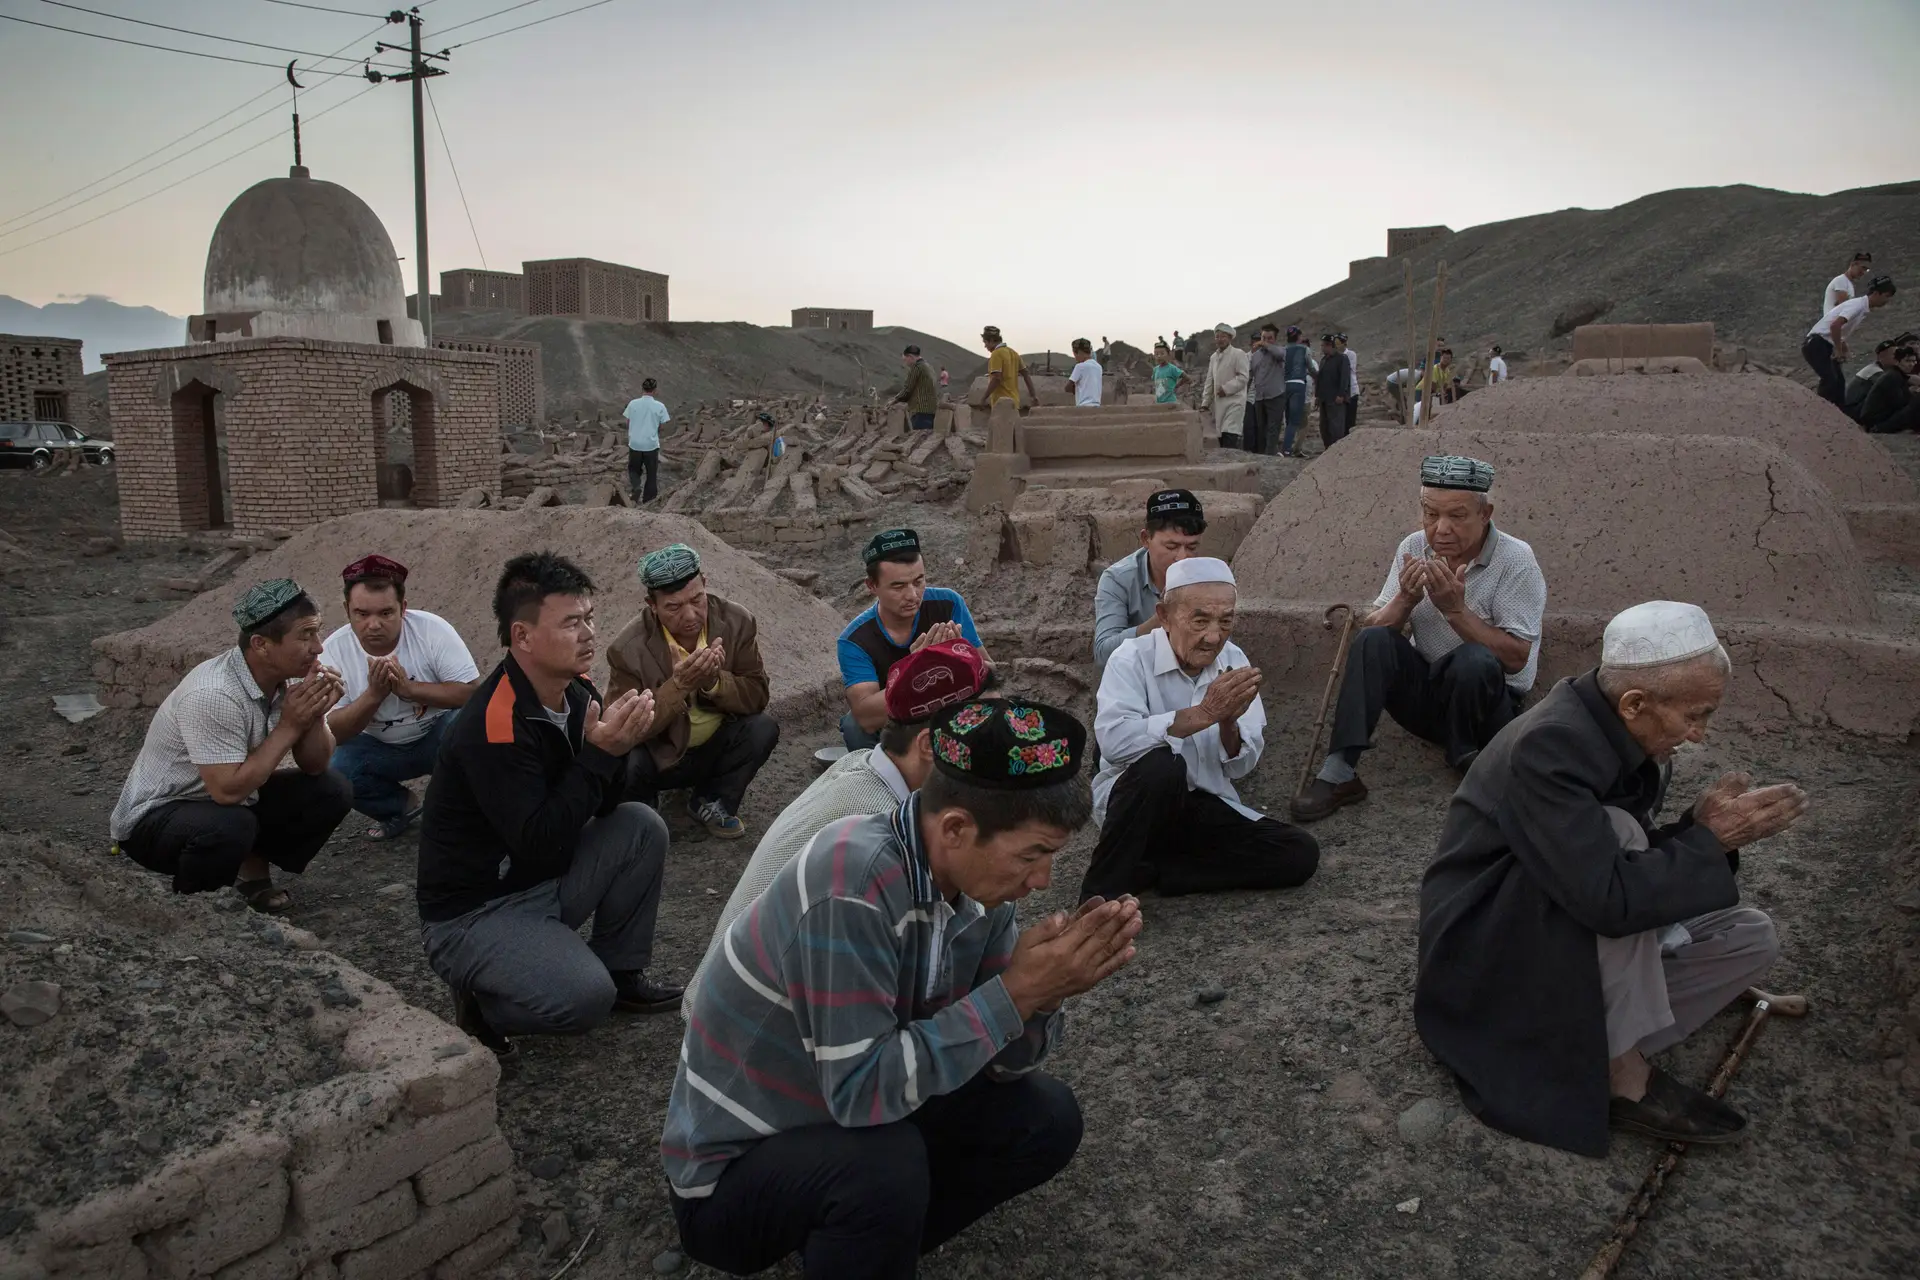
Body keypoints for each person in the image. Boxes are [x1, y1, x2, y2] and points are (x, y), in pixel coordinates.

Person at [662, 698, 1139, 1278]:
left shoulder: (977, 890)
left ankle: (862, 1241)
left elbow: (994, 1063)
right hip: (731, 1176)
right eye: (1032, 856)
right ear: (957, 828)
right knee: (887, 1168)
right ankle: (861, 1226)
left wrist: (1042, 994)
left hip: (842, 1118)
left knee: (1046, 1119)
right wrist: (1013, 994)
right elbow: (861, 1092)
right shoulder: (851, 884)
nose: (1039, 883)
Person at [1416, 601, 1806, 1154]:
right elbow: (1607, 897)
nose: (1699, 735)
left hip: (1569, 911)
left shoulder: (1628, 731)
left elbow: (1619, 870)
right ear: (1635, 703)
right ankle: (1624, 1077)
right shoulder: (1551, 745)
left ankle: (1581, 1037)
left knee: (1750, 936)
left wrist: (1697, 831)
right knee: (1619, 831)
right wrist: (1708, 841)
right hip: (1488, 945)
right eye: (1697, 715)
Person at [416, 552, 681, 1055]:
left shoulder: (575, 691)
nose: (588, 634)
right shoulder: (493, 725)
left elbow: (601, 808)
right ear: (522, 637)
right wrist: (601, 755)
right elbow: (537, 838)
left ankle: (622, 971)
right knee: (583, 999)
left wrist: (616, 753)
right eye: (571, 623)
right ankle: (482, 1002)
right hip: (477, 910)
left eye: (589, 618)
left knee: (639, 825)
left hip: (538, 877)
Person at [682, 640, 986, 1014]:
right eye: (980, 734)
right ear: (927, 745)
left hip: (731, 1010)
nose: (992, 750)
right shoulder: (877, 822)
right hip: (744, 1033)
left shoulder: (863, 766)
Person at [1292, 456, 1547, 822]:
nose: (1441, 529)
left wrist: (1456, 611)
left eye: (1457, 516)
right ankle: (1339, 771)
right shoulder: (1414, 547)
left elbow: (1516, 658)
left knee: (1474, 658)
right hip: (1430, 696)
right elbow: (1374, 627)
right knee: (1374, 640)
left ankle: (1468, 757)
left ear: (1485, 513)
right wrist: (1406, 599)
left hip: (1487, 708)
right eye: (1430, 514)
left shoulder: (1515, 560)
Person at [1082, 557, 1319, 901]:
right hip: (1137, 807)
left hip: (1203, 804)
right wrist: (1204, 713)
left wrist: (1228, 723)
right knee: (1162, 766)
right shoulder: (1130, 657)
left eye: (1226, 621)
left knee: (1299, 853)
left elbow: (1241, 766)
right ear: (1164, 616)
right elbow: (1115, 743)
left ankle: (1155, 872)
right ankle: (1098, 896)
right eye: (1200, 620)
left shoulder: (1234, 660)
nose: (1213, 636)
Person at [110, 579, 351, 913]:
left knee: (331, 789)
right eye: (305, 635)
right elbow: (225, 792)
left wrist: (313, 716)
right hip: (155, 818)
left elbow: (315, 764)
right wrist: (290, 725)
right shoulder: (214, 694)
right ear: (261, 644)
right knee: (232, 823)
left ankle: (251, 881)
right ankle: (197, 909)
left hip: (227, 801)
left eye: (317, 632)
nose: (319, 648)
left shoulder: (293, 673)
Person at [607, 543, 778, 841]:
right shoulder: (627, 648)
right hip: (660, 756)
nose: (690, 615)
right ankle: (643, 814)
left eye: (697, 599)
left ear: (705, 586)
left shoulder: (737, 622)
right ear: (652, 605)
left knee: (762, 729)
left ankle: (711, 801)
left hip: (714, 748)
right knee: (627, 760)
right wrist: (680, 686)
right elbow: (623, 727)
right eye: (673, 607)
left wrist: (714, 682)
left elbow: (757, 695)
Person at [322, 554, 479, 842]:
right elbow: (331, 732)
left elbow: (471, 694)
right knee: (334, 770)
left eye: (385, 613)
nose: (373, 625)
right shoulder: (332, 652)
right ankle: (399, 807)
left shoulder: (432, 630)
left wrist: (409, 690)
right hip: (377, 750)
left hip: (437, 736)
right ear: (347, 611)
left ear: (403, 608)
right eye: (362, 614)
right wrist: (373, 696)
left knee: (473, 730)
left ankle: (460, 811)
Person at [837, 528, 991, 750]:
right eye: (898, 586)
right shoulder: (855, 640)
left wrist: (960, 659)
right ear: (872, 586)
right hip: (896, 720)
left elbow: (990, 671)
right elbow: (865, 716)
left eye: (919, 581)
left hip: (949, 707)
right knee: (853, 726)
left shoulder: (948, 604)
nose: (912, 595)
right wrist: (917, 668)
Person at [1092, 488, 1206, 666]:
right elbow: (1103, 653)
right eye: (1171, 546)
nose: (1182, 557)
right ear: (1146, 539)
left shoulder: (1206, 578)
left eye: (1192, 547)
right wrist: (1162, 620)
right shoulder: (1118, 579)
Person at [1804, 275, 1897, 406]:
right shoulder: (1857, 305)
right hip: (1816, 343)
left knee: (1839, 383)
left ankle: (1839, 415)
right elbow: (1835, 325)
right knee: (1830, 380)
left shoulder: (1861, 308)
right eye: (1886, 296)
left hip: (1824, 344)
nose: (1887, 301)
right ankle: (1820, 412)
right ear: (1876, 293)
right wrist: (1838, 349)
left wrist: (1843, 346)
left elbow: (1838, 329)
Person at [1201, 323, 1249, 448]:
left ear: (1229, 338)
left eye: (1223, 336)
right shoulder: (1213, 358)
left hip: (1235, 401)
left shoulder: (1239, 354)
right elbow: (1209, 381)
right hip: (1219, 403)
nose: (1220, 339)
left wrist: (1226, 389)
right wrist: (1205, 403)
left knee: (1230, 432)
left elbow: (1243, 377)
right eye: (1217, 337)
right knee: (1221, 436)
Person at [624, 377, 671, 504]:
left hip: (635, 444)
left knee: (634, 470)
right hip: (651, 445)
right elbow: (661, 426)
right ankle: (648, 502)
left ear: (642, 389)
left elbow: (628, 423)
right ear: (654, 390)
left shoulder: (632, 404)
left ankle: (636, 488)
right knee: (651, 475)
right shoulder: (660, 406)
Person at [1247, 323, 1288, 456]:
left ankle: (1270, 455)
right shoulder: (1255, 356)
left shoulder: (1279, 351)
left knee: (1273, 428)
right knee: (1261, 428)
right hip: (1259, 397)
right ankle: (1262, 455)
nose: (1265, 341)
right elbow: (1250, 376)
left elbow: (1280, 354)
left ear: (1274, 339)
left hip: (1276, 396)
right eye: (1263, 337)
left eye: (1269, 338)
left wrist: (1266, 345)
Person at [1860, 345, 1920, 433]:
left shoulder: (1897, 375)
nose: (1911, 364)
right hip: (1877, 422)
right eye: (1907, 361)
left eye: (1914, 361)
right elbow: (1899, 404)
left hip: (1881, 418)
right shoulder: (1892, 376)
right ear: (1897, 362)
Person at [981, 325, 1039, 409]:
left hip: (1001, 403)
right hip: (1014, 402)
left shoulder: (996, 354)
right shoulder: (1013, 353)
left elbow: (997, 378)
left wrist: (983, 398)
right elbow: (1026, 374)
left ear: (991, 340)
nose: (985, 346)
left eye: (985, 342)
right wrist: (1033, 395)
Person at [1280, 325, 1315, 456]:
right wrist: (1319, 376)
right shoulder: (1304, 349)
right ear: (1299, 337)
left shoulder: (1283, 350)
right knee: (1295, 420)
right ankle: (1287, 449)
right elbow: (1311, 368)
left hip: (1284, 386)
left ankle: (1285, 447)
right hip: (1298, 385)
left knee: (1288, 419)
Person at [893, 344, 939, 431]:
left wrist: (894, 400)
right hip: (932, 410)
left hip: (920, 411)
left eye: (905, 360)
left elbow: (907, 389)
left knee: (919, 437)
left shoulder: (917, 367)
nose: (905, 363)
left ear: (910, 356)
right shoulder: (929, 367)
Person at [1314, 333, 1348, 449]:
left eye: (1324, 345)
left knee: (1336, 427)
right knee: (1324, 426)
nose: (1322, 348)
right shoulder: (1324, 360)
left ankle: (1337, 450)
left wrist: (1341, 394)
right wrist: (1317, 396)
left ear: (1330, 345)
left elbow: (1344, 378)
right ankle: (1327, 449)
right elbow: (1320, 379)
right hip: (1324, 399)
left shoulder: (1341, 358)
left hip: (1335, 399)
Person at [1823, 250, 1874, 315]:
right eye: (1862, 268)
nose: (1863, 272)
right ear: (1853, 264)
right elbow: (1843, 307)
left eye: (1866, 270)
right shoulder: (1841, 280)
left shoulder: (1848, 284)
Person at [1067, 338, 1104, 407]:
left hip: (1083, 406)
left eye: (1075, 354)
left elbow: (1067, 387)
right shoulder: (1099, 367)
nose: (1075, 358)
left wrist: (1077, 389)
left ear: (1079, 352)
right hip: (1097, 405)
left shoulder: (1080, 366)